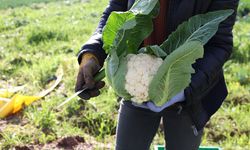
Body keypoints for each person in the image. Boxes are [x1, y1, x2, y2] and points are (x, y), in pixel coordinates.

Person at [75, 0, 239, 150]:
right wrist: (92, 54)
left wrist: (183, 91)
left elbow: (220, 44)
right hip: (137, 82)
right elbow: (116, 10)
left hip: (191, 93)